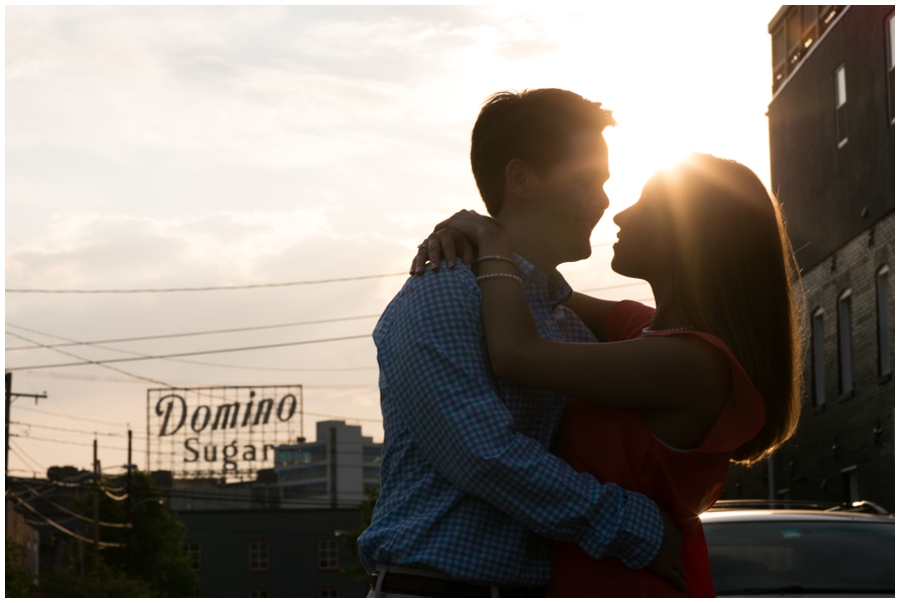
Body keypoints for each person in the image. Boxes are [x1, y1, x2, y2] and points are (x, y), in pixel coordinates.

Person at [414, 152, 804, 596]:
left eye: (647, 205)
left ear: (692, 236)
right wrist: (471, 243)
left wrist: (490, 238)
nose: (620, 214)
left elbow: (516, 354)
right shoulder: (647, 331)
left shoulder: (689, 363)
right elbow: (545, 290)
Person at [358, 89, 686, 597]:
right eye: (585, 181)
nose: (602, 200)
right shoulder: (444, 291)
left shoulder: (566, 323)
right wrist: (636, 525)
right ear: (521, 179)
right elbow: (481, 454)